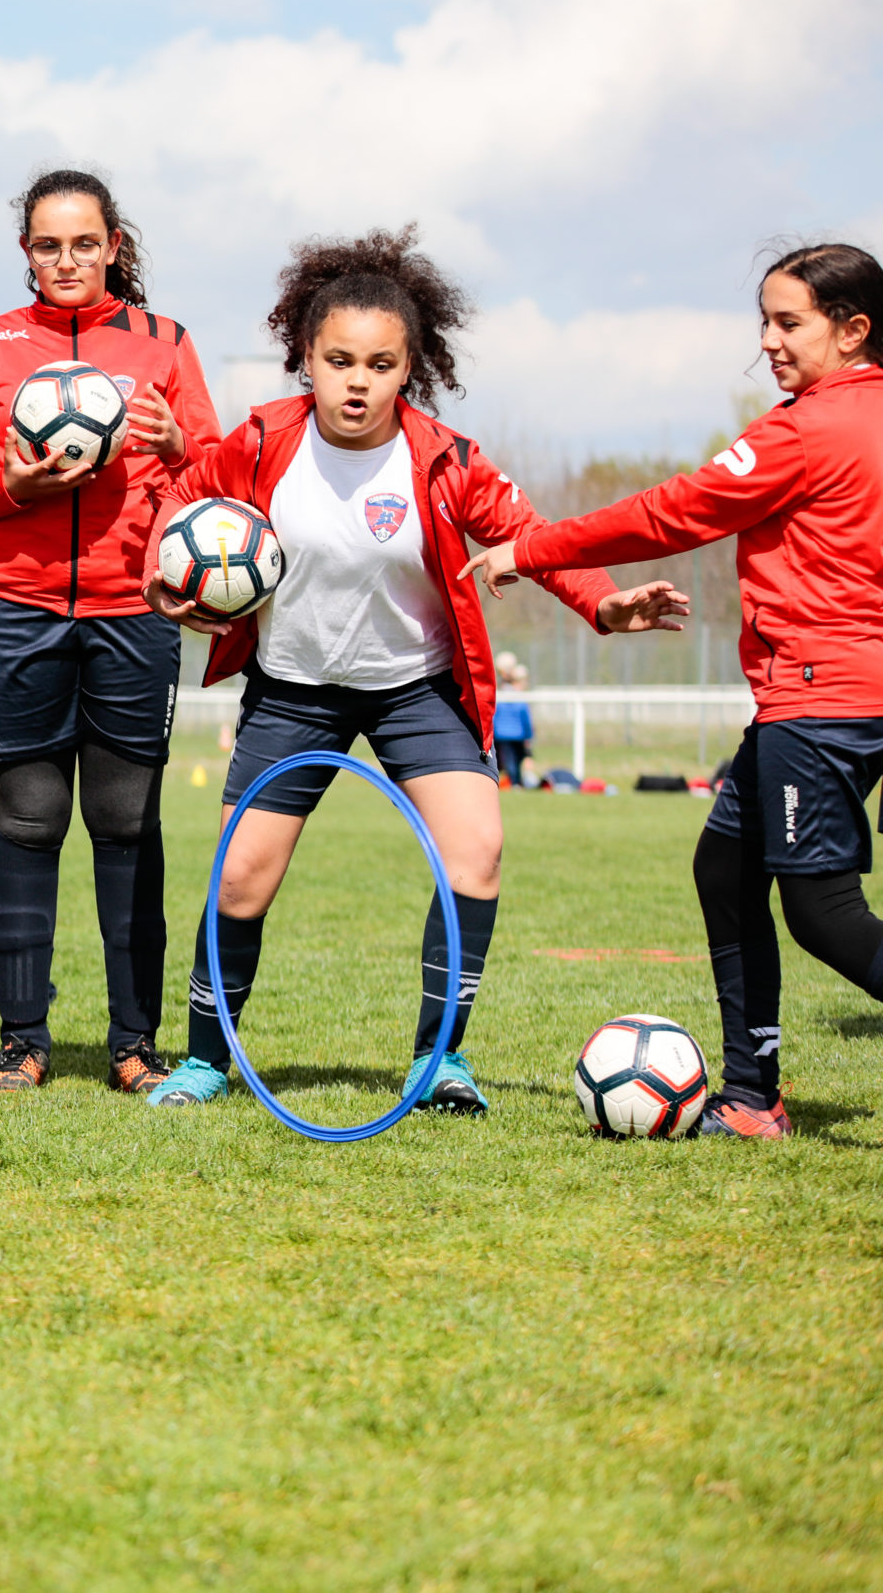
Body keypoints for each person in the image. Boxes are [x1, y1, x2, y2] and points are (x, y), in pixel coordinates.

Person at [142, 227, 687, 1112]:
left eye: (382, 363)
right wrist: (162, 580)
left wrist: (604, 602)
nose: (358, 380)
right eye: (340, 359)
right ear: (306, 358)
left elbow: (532, 534)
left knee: (477, 852)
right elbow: (179, 500)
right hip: (293, 689)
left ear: (410, 368)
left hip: (417, 689)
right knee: (241, 876)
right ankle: (207, 1057)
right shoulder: (259, 441)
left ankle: (440, 1060)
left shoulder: (443, 457)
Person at [465, 241, 883, 1138]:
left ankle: (751, 1092)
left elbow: (672, 510)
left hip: (824, 697)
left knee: (824, 912)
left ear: (854, 332)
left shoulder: (808, 429)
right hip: (814, 699)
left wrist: (531, 549)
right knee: (724, 868)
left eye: (788, 322)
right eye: (762, 321)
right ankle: (749, 1094)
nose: (767, 341)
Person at [0, 168, 223, 1097]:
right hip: (18, 610)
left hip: (133, 613)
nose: (67, 260)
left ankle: (135, 1044)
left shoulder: (164, 345)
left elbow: (213, 485)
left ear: (114, 247)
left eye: (85, 243)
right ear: (25, 250)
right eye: (48, 244)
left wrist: (181, 450)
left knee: (126, 820)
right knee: (27, 820)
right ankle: (23, 1040)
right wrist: (13, 489)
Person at [490, 653, 536, 787]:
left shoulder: (500, 694)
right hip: (517, 734)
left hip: (502, 734)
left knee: (509, 760)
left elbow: (494, 715)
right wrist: (529, 734)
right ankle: (514, 782)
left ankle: (514, 782)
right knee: (515, 760)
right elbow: (525, 716)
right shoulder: (518, 697)